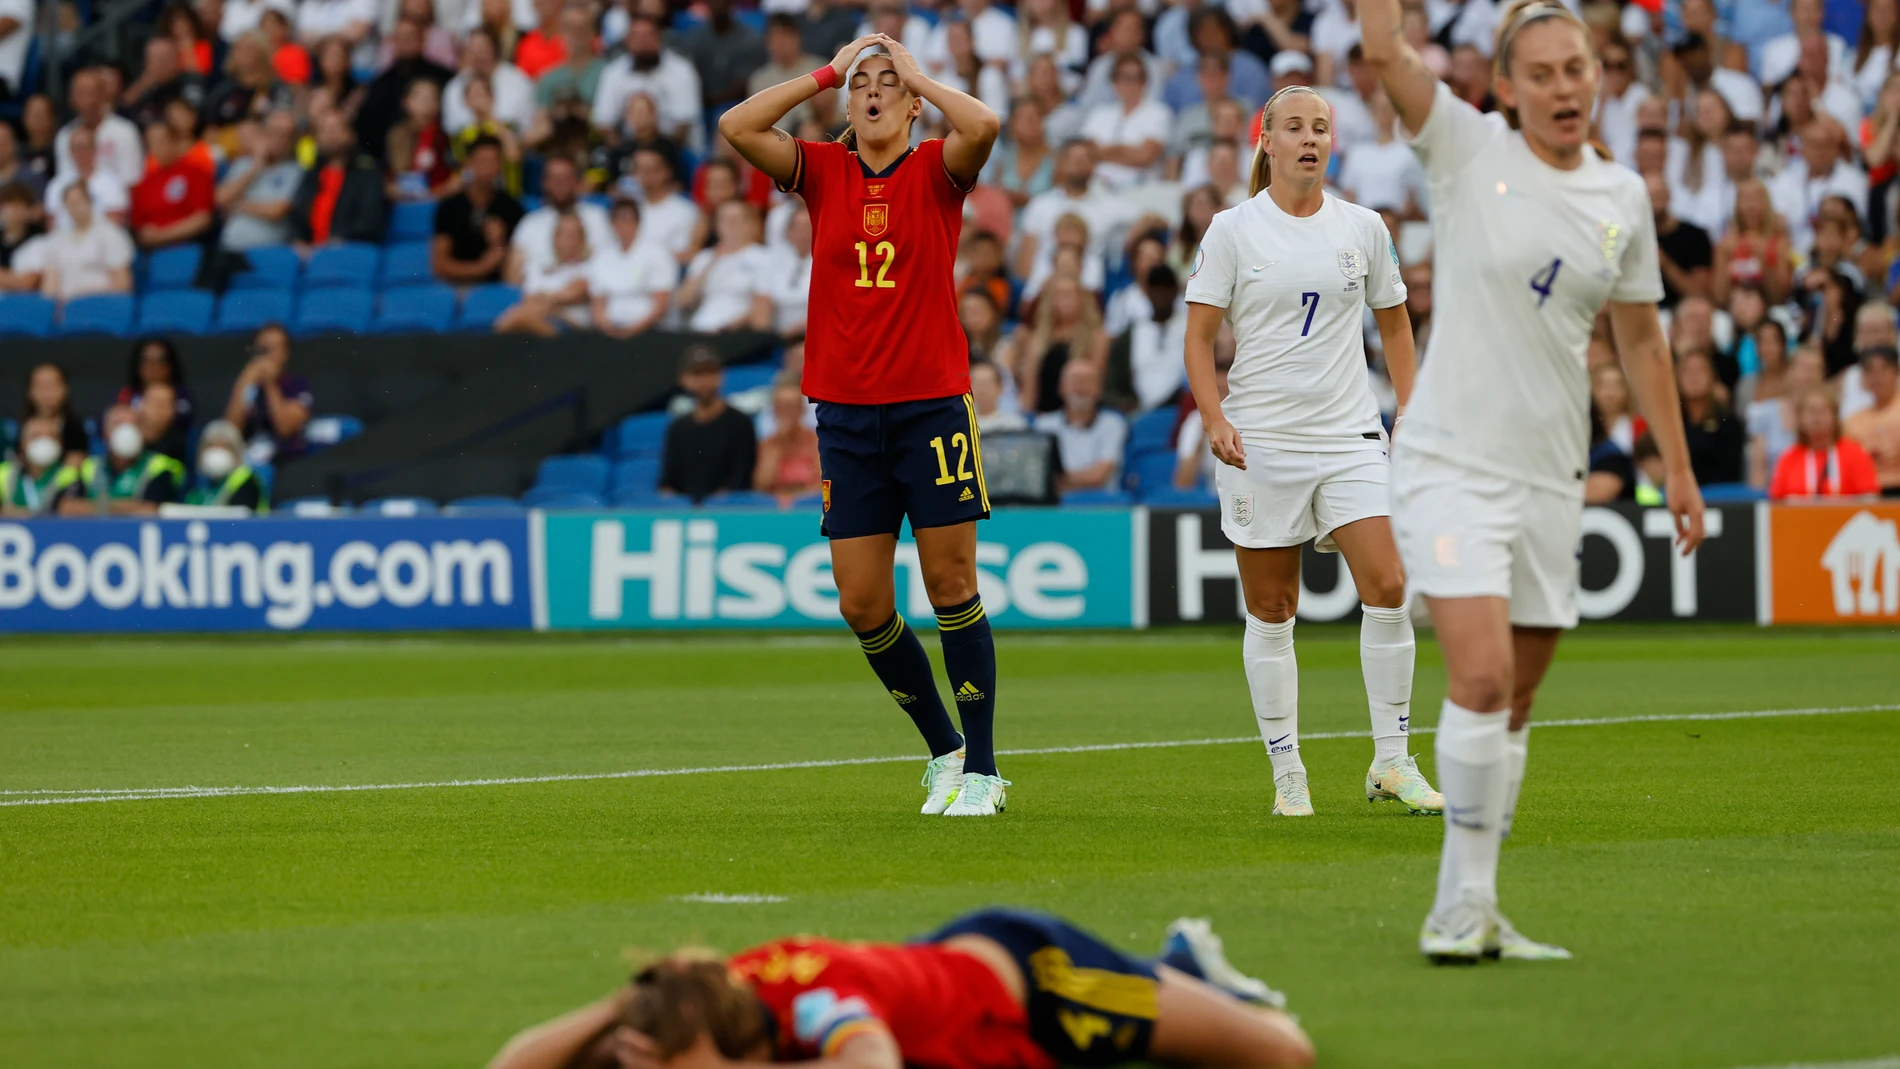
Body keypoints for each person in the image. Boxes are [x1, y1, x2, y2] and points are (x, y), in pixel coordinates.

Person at [1361, 0, 1705, 962]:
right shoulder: (1468, 149)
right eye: (1543, 73)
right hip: (1450, 462)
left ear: (1600, 76)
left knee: (1513, 705)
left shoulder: (1622, 198)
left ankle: (1472, 905)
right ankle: (1452, 917)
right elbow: (1383, 49)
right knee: (1480, 674)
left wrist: (1674, 465)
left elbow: (1638, 334)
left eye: (1578, 69)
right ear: (1507, 89)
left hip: (1553, 474)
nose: (1565, 88)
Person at [719, 34, 1008, 817]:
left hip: (931, 407)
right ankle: (943, 748)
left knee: (951, 583)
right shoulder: (824, 172)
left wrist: (916, 72)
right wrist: (825, 71)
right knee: (861, 602)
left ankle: (982, 768)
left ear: (913, 106)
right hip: (844, 415)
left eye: (887, 85)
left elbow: (982, 126)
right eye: (861, 86)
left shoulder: (936, 171)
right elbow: (737, 128)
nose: (872, 93)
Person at [1182, 82, 1437, 820]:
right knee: (1273, 606)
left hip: (1350, 433)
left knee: (1388, 584)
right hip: (1260, 438)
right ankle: (1287, 769)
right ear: (1266, 141)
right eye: (1294, 127)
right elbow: (1199, 339)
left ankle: (1392, 761)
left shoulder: (1363, 226)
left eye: (1320, 127)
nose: (1309, 138)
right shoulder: (1233, 229)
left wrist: (1409, 408)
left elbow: (1395, 324)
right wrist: (1212, 417)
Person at [487, 909, 1314, 1069]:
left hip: (1040, 985)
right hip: (943, 1002)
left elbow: (874, 1061)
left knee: (1279, 1051)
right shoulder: (672, 1017)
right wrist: (620, 1003)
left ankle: (1184, 967)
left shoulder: (815, 1003)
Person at [659, 347, 757, 501]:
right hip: (686, 515)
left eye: (710, 373)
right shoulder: (677, 428)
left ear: (721, 376)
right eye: (697, 374)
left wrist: (712, 507)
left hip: (728, 512)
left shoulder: (740, 423)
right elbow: (667, 482)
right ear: (683, 379)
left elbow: (741, 479)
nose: (704, 381)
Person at [64, 405, 185, 515]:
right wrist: (125, 507)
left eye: (132, 424)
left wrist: (99, 506)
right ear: (105, 432)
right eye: (118, 424)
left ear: (142, 432)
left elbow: (150, 511)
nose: (126, 431)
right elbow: (68, 508)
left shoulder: (159, 466)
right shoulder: (89, 466)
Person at [292, 111, 389, 245]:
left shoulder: (368, 171)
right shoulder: (311, 173)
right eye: (324, 131)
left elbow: (370, 218)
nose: (330, 135)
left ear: (351, 135)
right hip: (310, 254)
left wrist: (342, 240)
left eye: (335, 129)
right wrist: (300, 241)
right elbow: (298, 212)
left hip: (349, 251)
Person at [1769, 387, 1882, 498]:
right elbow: (1776, 503)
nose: (1817, 416)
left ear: (1835, 417)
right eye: (1811, 411)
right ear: (1800, 419)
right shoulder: (1789, 458)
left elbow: (1869, 497)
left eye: (1823, 410)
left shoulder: (1855, 453)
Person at [224, 323, 312, 462]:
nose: (267, 356)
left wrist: (270, 384)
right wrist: (244, 381)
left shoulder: (297, 385)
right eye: (262, 350)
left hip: (285, 458)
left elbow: (285, 428)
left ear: (285, 352)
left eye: (272, 349)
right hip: (249, 455)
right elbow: (230, 430)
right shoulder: (248, 385)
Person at [1033, 359, 1126, 491]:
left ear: (1099, 389)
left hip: (1101, 505)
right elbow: (1038, 474)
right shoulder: (1044, 425)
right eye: (1074, 380)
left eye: (1088, 381)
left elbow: (1099, 476)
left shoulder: (1113, 424)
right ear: (1061, 387)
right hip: (1054, 506)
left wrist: (1060, 480)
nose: (1080, 387)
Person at [497, 212, 594, 335]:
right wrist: (550, 303)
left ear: (582, 239)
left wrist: (548, 302)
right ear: (555, 239)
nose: (566, 241)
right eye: (562, 234)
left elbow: (574, 293)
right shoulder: (541, 269)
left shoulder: (590, 267)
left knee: (515, 317)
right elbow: (528, 299)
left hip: (572, 327)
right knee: (517, 318)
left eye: (572, 235)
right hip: (538, 320)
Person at [217, 110, 301, 250]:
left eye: (286, 136)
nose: (279, 141)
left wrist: (234, 205)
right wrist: (256, 167)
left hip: (269, 249)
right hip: (229, 246)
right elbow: (219, 199)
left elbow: (277, 211)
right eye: (273, 133)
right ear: (262, 134)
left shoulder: (296, 170)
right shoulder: (243, 164)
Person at [40, 184, 135, 302]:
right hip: (65, 307)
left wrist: (83, 293)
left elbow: (123, 284)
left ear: (89, 201)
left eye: (78, 201)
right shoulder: (56, 239)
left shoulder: (111, 234)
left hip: (101, 303)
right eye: (70, 203)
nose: (75, 207)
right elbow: (50, 284)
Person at [130, 121, 215, 250]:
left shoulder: (195, 172)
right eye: (152, 142)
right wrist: (147, 235)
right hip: (152, 251)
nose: (157, 146)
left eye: (162, 140)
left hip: (188, 247)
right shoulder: (144, 182)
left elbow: (203, 218)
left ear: (175, 141)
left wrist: (164, 235)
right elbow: (139, 226)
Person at [118, 336, 196, 459]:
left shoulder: (181, 394)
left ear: (170, 366)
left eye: (160, 360)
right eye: (146, 360)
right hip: (127, 456)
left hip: (167, 452)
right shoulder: (127, 393)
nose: (153, 366)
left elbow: (180, 420)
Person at [43, 124, 130, 231]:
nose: (81, 152)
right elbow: (52, 226)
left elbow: (116, 224)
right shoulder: (56, 185)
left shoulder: (112, 183)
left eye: (85, 146)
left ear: (95, 149)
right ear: (70, 151)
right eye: (76, 147)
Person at [1842, 346, 1900, 494]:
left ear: (1896, 372)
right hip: (1865, 494)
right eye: (1870, 371)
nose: (1877, 377)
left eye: (1884, 369)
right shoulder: (1852, 422)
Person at [754, 381, 824, 501]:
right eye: (782, 407)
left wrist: (797, 499)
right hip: (776, 509)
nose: (788, 413)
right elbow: (762, 485)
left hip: (809, 506)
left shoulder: (816, 441)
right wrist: (779, 445)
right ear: (774, 411)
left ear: (801, 409)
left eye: (792, 407)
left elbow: (823, 481)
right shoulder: (768, 444)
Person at [1, 415, 83, 516]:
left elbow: (68, 510)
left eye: (51, 436)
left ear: (60, 444)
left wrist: (23, 514)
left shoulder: (71, 474)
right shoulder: (5, 473)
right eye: (36, 436)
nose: (44, 443)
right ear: (22, 443)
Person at [187, 419, 269, 511]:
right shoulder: (203, 485)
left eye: (224, 446)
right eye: (211, 445)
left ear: (236, 450)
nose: (216, 452)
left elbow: (239, 517)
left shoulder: (245, 479)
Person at [21, 362, 91, 463]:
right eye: (41, 386)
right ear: (29, 391)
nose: (47, 392)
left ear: (65, 389)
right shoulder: (18, 428)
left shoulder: (75, 429)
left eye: (52, 385)